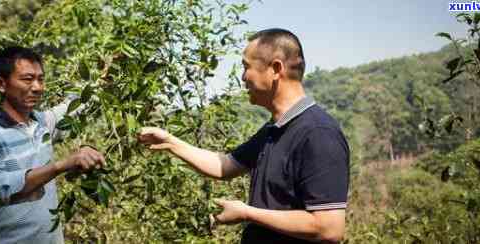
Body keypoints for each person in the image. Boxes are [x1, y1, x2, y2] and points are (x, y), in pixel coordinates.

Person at [138, 28, 349, 243]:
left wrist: (247, 213)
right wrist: (171, 142)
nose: (242, 77)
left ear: (276, 69)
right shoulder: (274, 129)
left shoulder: (317, 133)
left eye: (246, 67)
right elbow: (226, 165)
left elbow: (329, 228)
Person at [0, 46, 106, 243]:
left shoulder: (41, 124)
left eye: (41, 79)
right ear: (1, 84)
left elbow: (77, 105)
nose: (37, 87)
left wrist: (104, 77)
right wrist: (60, 166)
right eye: (27, 79)